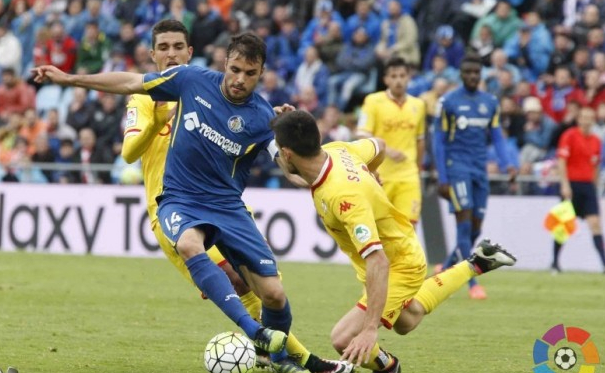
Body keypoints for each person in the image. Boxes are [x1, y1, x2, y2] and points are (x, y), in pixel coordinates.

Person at [33, 31, 351, 373]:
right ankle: (277, 346)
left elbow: (291, 168)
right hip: (175, 203)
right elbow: (128, 139)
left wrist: (335, 172)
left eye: (249, 73)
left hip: (227, 206)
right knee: (211, 261)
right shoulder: (173, 88)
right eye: (235, 70)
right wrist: (72, 79)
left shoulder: (258, 115)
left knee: (271, 293)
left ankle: (273, 355)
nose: (239, 79)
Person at [270, 110, 516, 373]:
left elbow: (378, 260)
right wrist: (370, 172)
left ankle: (391, 368)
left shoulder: (344, 196)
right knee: (407, 320)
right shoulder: (337, 150)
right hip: (396, 250)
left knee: (344, 338)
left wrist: (368, 330)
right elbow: (379, 146)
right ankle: (477, 263)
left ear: (287, 153)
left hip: (398, 263)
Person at [432, 53, 517, 300]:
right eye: (467, 72)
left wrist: (508, 164)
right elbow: (438, 141)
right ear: (461, 74)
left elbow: (498, 137)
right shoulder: (448, 102)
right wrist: (443, 176)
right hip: (457, 168)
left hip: (480, 170)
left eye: (476, 73)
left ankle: (447, 267)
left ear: (480, 75)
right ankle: (471, 284)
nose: (472, 76)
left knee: (475, 229)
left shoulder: (490, 102)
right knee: (465, 222)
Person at [552, 106, 605, 274]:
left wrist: (595, 186)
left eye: (590, 117)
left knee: (595, 224)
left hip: (588, 186)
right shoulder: (569, 136)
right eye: (584, 117)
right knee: (564, 226)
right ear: (579, 119)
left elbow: (596, 165)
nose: (587, 120)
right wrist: (564, 184)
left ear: (593, 120)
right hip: (572, 185)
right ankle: (554, 263)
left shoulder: (596, 141)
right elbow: (562, 161)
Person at [356, 57, 426, 224]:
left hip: (408, 176)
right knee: (380, 226)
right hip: (381, 175)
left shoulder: (419, 105)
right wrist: (387, 150)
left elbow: (420, 139)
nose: (398, 81)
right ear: (386, 79)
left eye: (402, 76)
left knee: (408, 227)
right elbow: (361, 135)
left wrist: (417, 169)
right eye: (393, 76)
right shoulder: (373, 101)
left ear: (409, 77)